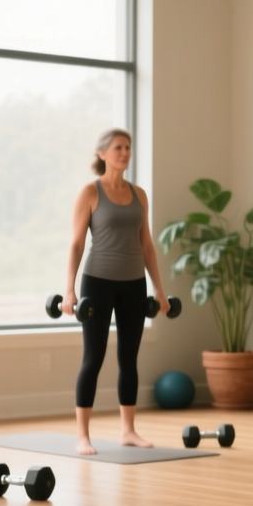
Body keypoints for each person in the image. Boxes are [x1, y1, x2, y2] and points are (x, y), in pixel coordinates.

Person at [61, 128, 167, 455]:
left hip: (133, 283)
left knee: (129, 359)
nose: (125, 152)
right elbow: (77, 242)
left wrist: (159, 290)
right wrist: (69, 290)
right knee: (93, 357)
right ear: (103, 153)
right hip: (98, 281)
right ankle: (82, 435)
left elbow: (146, 243)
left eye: (128, 148)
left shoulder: (139, 194)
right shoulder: (90, 192)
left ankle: (128, 430)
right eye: (119, 147)